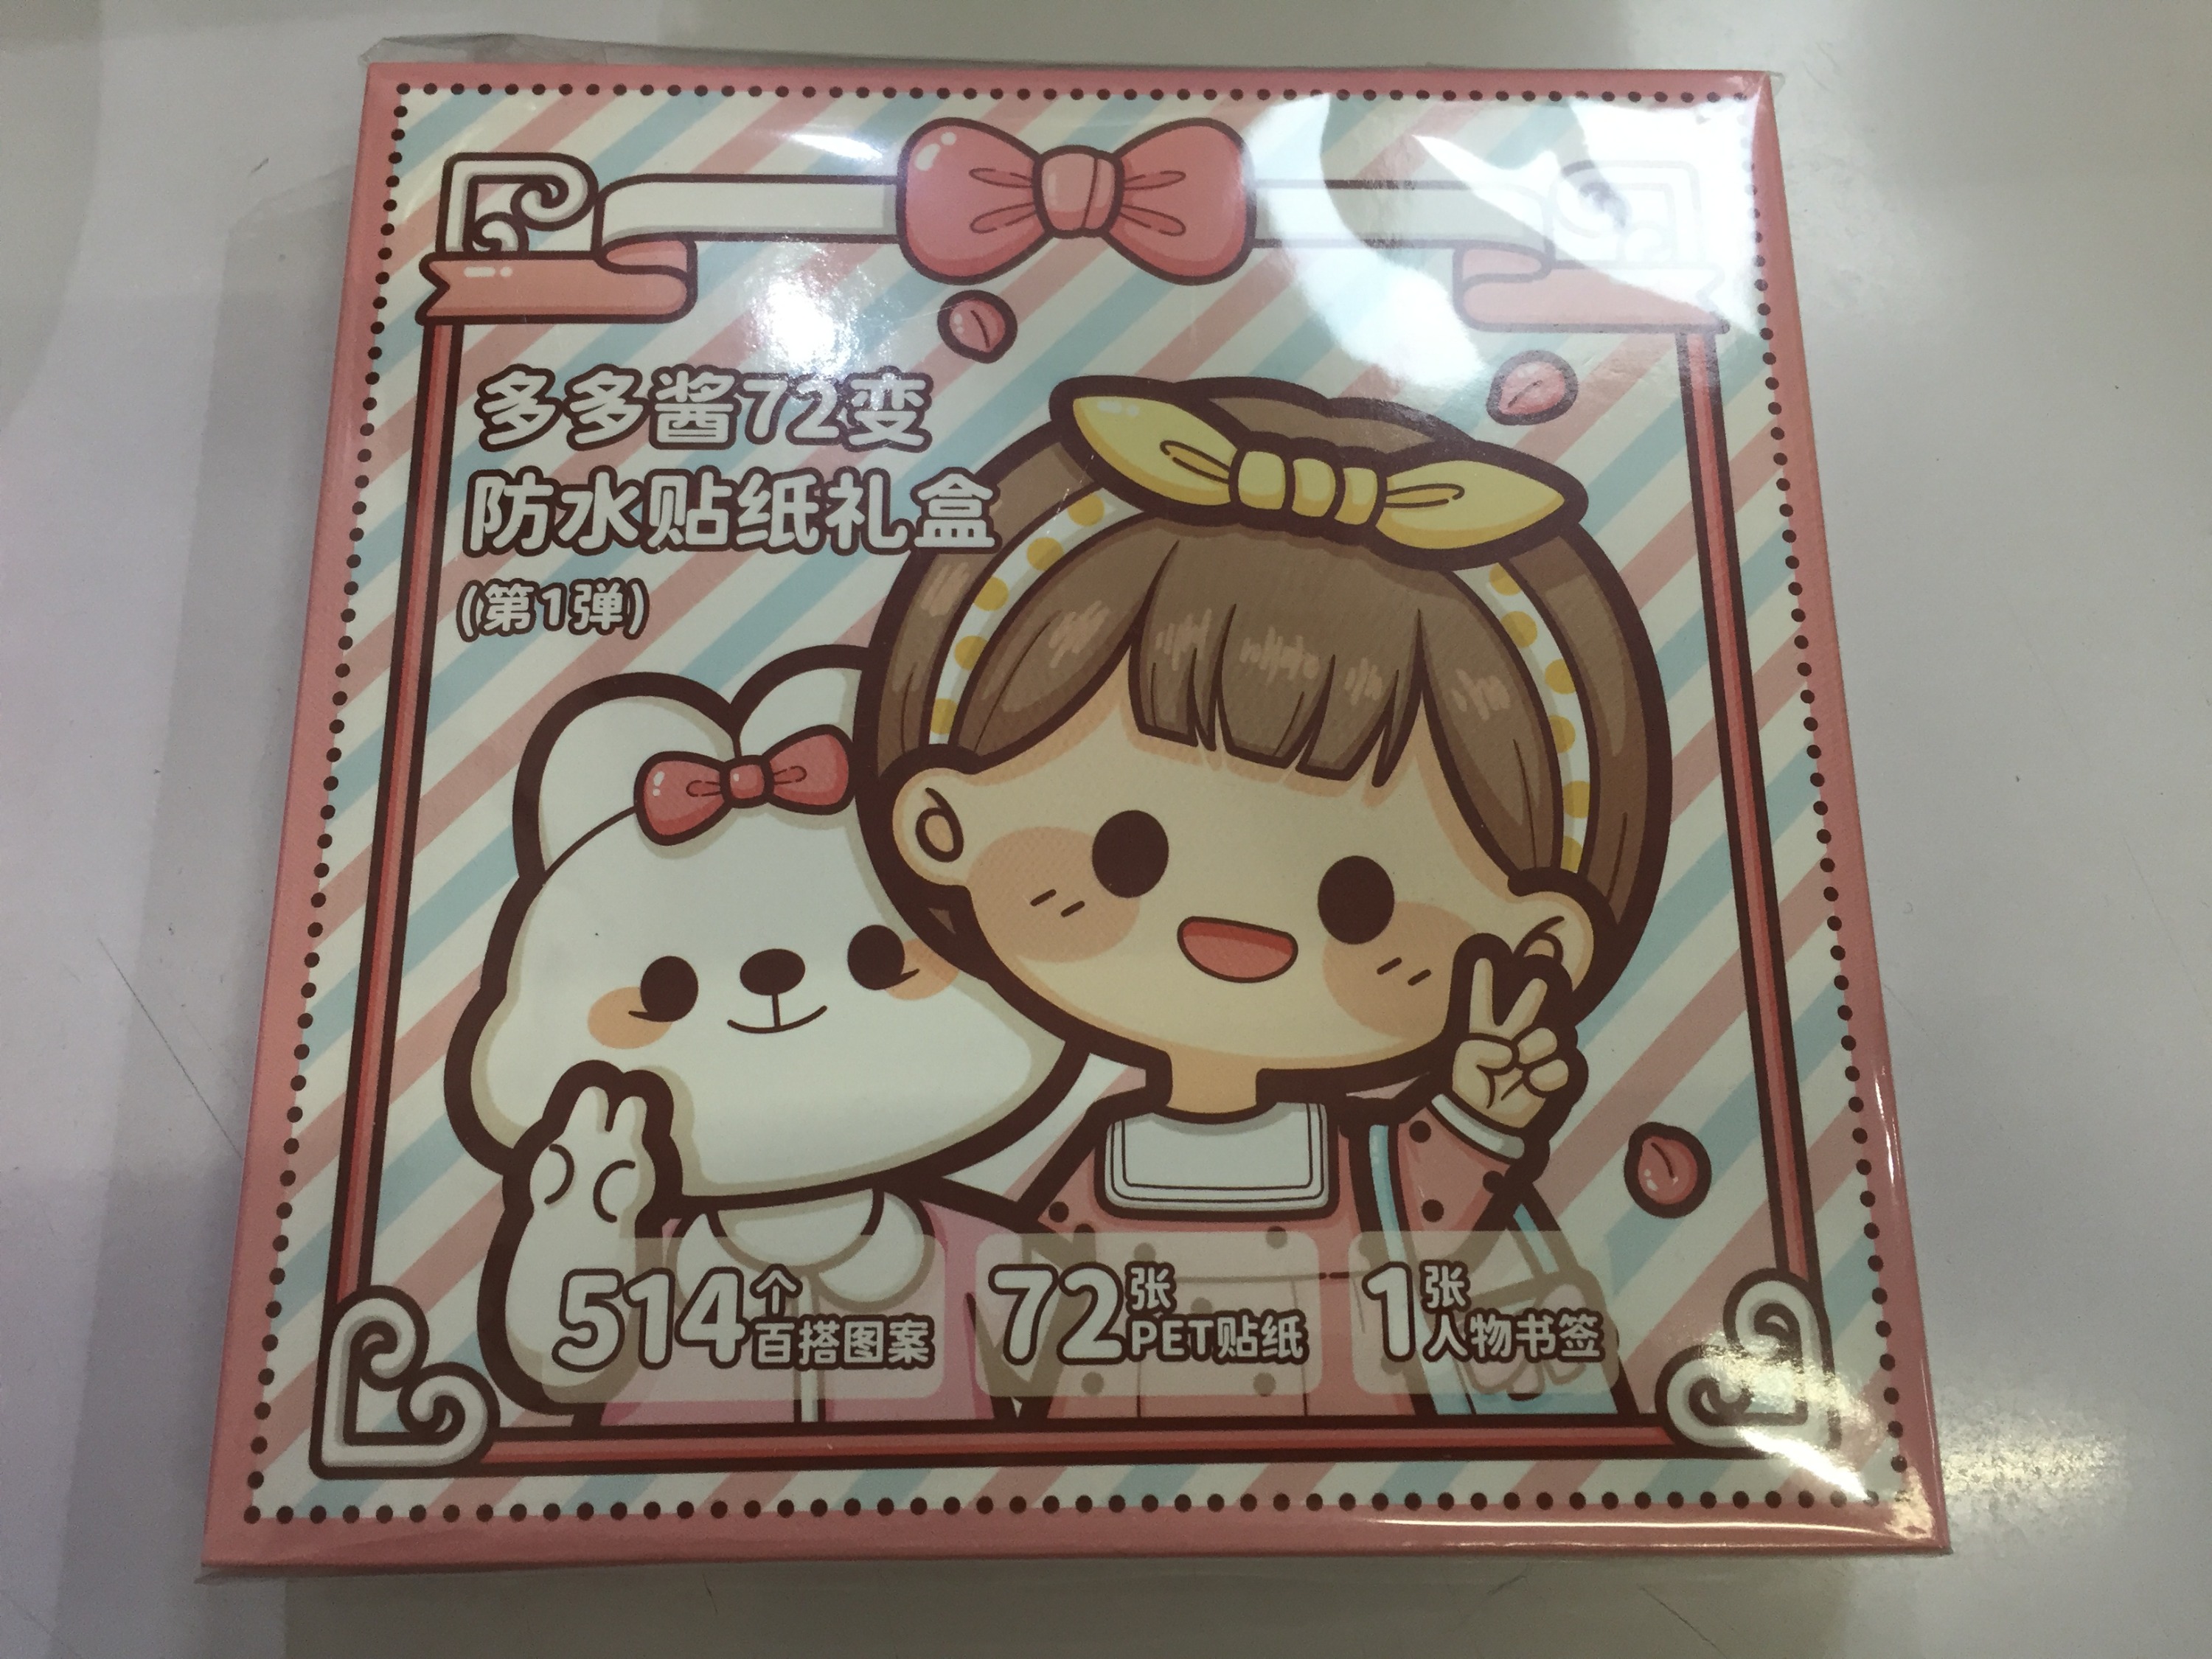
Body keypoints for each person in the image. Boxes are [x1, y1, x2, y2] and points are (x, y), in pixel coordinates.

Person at [860, 375, 1671, 1417]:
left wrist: (1481, 1118)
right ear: (943, 823)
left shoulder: (1381, 1166)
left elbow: (1444, 1242)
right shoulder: (1089, 1172)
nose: (1237, 930)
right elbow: (1021, 1341)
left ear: (1539, 939)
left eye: (1358, 900)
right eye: (1127, 852)